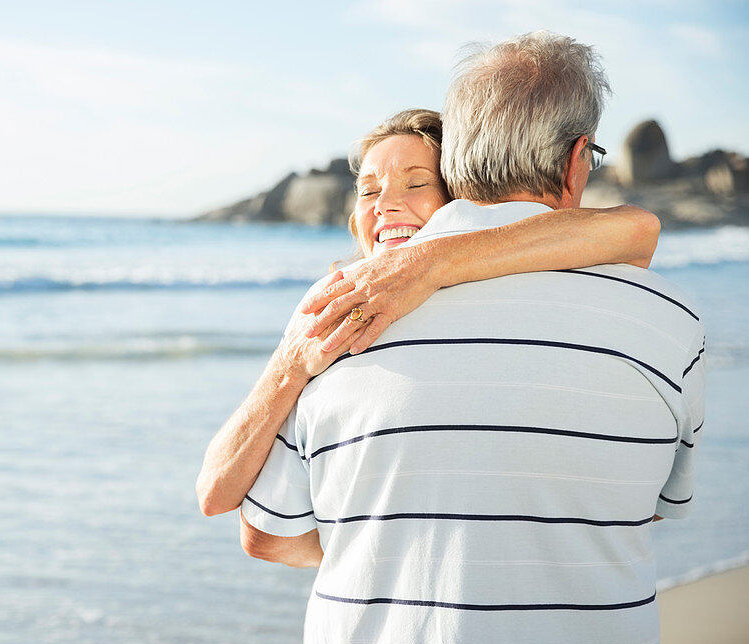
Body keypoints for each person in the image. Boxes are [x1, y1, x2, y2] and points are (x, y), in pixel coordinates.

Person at [232, 32, 704, 644]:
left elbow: (266, 534)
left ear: (455, 162)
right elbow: (657, 502)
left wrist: (404, 542)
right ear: (578, 161)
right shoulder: (673, 323)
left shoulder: (339, 320)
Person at [197, 107, 659, 519]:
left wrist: (429, 263)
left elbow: (633, 229)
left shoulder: (494, 287)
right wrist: (289, 366)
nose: (385, 204)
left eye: (417, 183)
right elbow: (213, 494)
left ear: (460, 200)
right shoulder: (331, 312)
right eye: (368, 191)